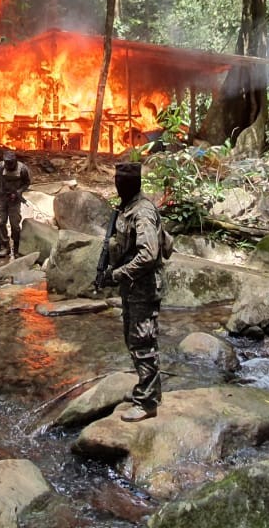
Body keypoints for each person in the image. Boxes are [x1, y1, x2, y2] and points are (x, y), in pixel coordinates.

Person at [105, 161, 165, 422]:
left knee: (142, 341)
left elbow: (149, 254)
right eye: (117, 181)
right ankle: (148, 389)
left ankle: (147, 403)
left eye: (122, 182)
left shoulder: (141, 212)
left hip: (144, 287)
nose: (118, 186)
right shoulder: (127, 208)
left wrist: (117, 274)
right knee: (134, 340)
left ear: (132, 185)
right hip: (133, 287)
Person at [0, 150, 30, 258]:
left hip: (14, 201)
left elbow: (27, 183)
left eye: (11, 164)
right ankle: (5, 246)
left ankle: (17, 248)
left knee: (15, 225)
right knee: (0, 223)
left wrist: (18, 192)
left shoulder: (22, 169)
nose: (9, 166)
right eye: (7, 164)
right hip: (1, 199)